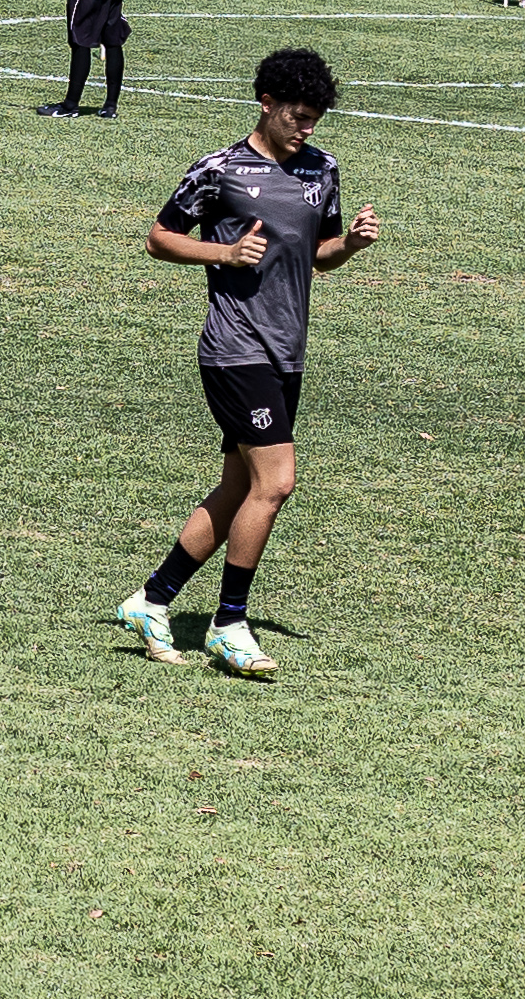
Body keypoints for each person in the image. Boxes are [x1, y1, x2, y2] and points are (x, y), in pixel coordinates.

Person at [113, 46, 376, 681]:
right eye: (298, 116)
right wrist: (222, 255)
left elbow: (317, 255)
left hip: (287, 351)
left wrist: (350, 243)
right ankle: (229, 625)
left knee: (240, 486)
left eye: (315, 118)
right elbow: (158, 238)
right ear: (266, 104)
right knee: (276, 482)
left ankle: (151, 600)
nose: (307, 128)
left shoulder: (322, 170)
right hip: (235, 350)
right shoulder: (220, 170)